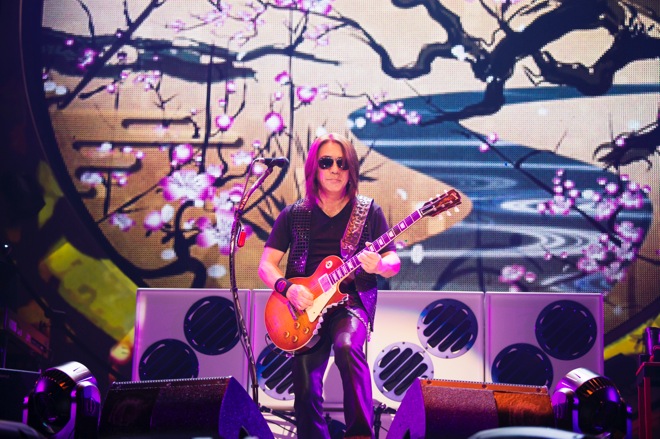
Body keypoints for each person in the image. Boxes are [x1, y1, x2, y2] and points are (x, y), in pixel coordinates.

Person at [258, 132, 401, 439]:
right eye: (326, 162)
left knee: (347, 347)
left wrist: (379, 265)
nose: (335, 169)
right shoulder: (294, 213)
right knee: (306, 388)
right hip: (303, 308)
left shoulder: (368, 211)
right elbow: (266, 265)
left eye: (342, 163)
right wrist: (288, 289)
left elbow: (393, 262)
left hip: (350, 304)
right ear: (315, 168)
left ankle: (360, 435)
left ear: (351, 170)